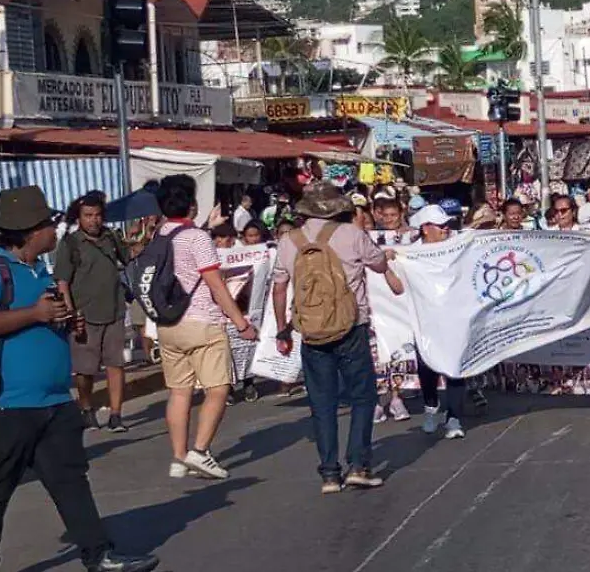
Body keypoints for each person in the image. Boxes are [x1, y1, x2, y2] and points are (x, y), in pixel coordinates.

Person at [0, 187, 157, 572]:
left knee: (71, 482)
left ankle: (98, 555)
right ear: (30, 230)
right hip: (8, 406)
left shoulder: (39, 270)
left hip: (54, 401)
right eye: (50, 224)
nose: (56, 230)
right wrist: (34, 314)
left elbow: (44, 318)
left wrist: (65, 321)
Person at [271, 183, 393, 494]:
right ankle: (359, 465)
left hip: (311, 331)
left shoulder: (289, 240)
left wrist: (283, 328)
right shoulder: (352, 234)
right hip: (351, 326)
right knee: (363, 396)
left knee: (322, 402)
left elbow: (279, 288)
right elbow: (379, 264)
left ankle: (329, 473)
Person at [153, 175, 258, 480]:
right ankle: (199, 452)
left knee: (179, 392)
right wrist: (240, 322)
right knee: (218, 388)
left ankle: (178, 457)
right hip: (202, 321)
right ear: (192, 204)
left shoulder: (160, 235)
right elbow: (215, 284)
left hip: (169, 323)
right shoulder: (197, 238)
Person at [54, 192, 131, 433]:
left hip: (115, 311)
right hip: (84, 316)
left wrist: (145, 234)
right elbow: (62, 282)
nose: (93, 220)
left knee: (116, 364)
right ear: (78, 217)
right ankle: (87, 409)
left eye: (97, 215)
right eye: (88, 215)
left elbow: (129, 257)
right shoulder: (70, 244)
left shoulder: (111, 237)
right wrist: (70, 312)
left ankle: (116, 415)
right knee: (85, 370)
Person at [406, 204, 471, 439]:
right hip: (425, 322)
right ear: (425, 228)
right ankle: (431, 407)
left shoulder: (457, 247)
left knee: (456, 368)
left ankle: (454, 417)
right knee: (427, 369)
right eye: (440, 225)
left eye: (447, 225)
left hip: (454, 318)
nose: (445, 229)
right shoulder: (410, 254)